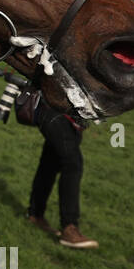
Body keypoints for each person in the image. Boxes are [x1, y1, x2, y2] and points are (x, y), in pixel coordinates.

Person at [23, 91, 98, 249]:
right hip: (51, 108)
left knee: (50, 162)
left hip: (69, 114)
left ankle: (35, 214)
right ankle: (69, 228)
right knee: (73, 163)